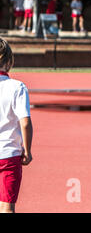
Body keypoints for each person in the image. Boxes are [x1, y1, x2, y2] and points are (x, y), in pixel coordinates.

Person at [0, 38, 33, 213]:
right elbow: (25, 122)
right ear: (9, 61)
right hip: (8, 154)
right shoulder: (17, 87)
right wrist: (27, 150)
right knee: (7, 206)